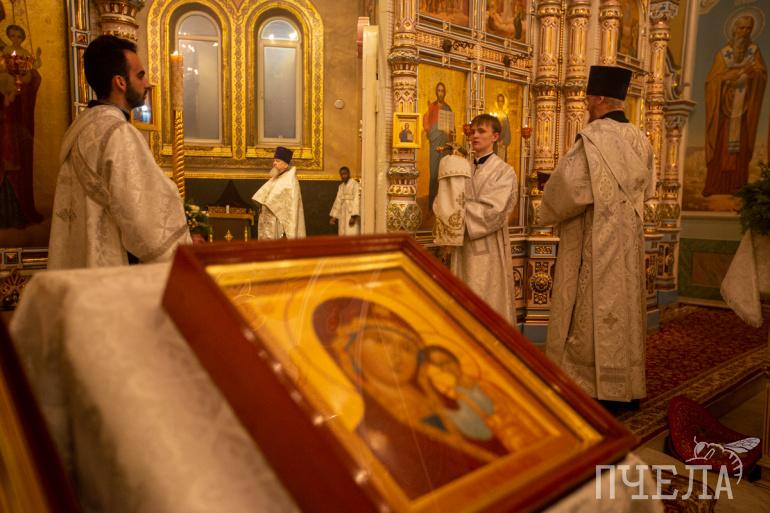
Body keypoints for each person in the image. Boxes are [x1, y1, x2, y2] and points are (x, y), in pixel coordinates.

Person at [539, 65, 654, 403]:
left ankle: (591, 386)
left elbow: (569, 188)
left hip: (596, 237)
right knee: (625, 306)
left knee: (591, 305)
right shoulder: (642, 139)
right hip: (628, 240)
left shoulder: (593, 138)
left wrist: (548, 201)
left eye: (590, 97)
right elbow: (648, 189)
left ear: (601, 97)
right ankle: (626, 385)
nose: (587, 102)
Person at [48, 35, 190, 269]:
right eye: (140, 75)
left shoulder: (80, 129)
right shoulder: (118, 133)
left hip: (79, 267)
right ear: (120, 82)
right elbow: (147, 221)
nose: (146, 84)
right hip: (110, 270)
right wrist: (185, 253)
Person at [447, 114, 517, 324]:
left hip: (489, 246)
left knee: (487, 298)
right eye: (472, 132)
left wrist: (457, 212)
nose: (474, 136)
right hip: (463, 244)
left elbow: (495, 210)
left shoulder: (505, 171)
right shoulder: (463, 168)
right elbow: (450, 198)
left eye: (481, 131)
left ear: (495, 136)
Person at [702, 14, 767, 197]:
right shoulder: (722, 54)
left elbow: (762, 74)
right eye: (741, 28)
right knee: (721, 146)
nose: (745, 32)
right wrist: (725, 78)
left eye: (748, 28)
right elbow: (711, 82)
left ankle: (739, 185)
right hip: (724, 113)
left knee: (740, 150)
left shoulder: (754, 52)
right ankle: (715, 185)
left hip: (744, 111)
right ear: (734, 30)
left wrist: (754, 74)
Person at [0, 24, 43, 228]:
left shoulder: (23, 55)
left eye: (19, 36)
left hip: (17, 117)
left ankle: (18, 210)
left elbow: (31, 75)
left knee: (16, 155)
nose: (15, 39)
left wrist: (26, 78)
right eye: (13, 35)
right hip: (6, 115)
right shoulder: (5, 54)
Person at [252, 146, 305, 239]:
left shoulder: (290, 180)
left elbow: (289, 208)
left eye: (277, 161)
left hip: (279, 224)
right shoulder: (277, 177)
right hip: (269, 222)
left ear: (285, 164)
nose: (274, 163)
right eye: (274, 160)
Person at [423, 82, 454, 209]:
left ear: (444, 93)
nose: (440, 93)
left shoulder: (448, 108)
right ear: (436, 92)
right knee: (434, 174)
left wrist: (449, 132)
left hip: (445, 144)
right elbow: (426, 123)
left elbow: (452, 128)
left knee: (444, 173)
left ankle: (443, 205)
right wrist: (434, 130)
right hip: (435, 143)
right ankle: (431, 205)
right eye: (439, 90)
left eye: (442, 91)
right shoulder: (432, 106)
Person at [329, 166, 360, 236]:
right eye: (341, 174)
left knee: (351, 232)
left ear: (348, 173)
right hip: (342, 213)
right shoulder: (341, 186)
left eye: (345, 174)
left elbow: (357, 200)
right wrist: (334, 217)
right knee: (342, 232)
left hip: (351, 213)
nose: (343, 176)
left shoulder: (355, 184)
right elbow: (338, 201)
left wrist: (354, 216)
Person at [492, 93, 511, 162]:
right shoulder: (494, 115)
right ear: (497, 102)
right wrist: (494, 139)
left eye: (502, 101)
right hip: (494, 143)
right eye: (499, 101)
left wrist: (503, 141)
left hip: (502, 145)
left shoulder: (505, 116)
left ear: (503, 103)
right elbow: (492, 128)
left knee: (501, 161)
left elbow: (507, 131)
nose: (500, 103)